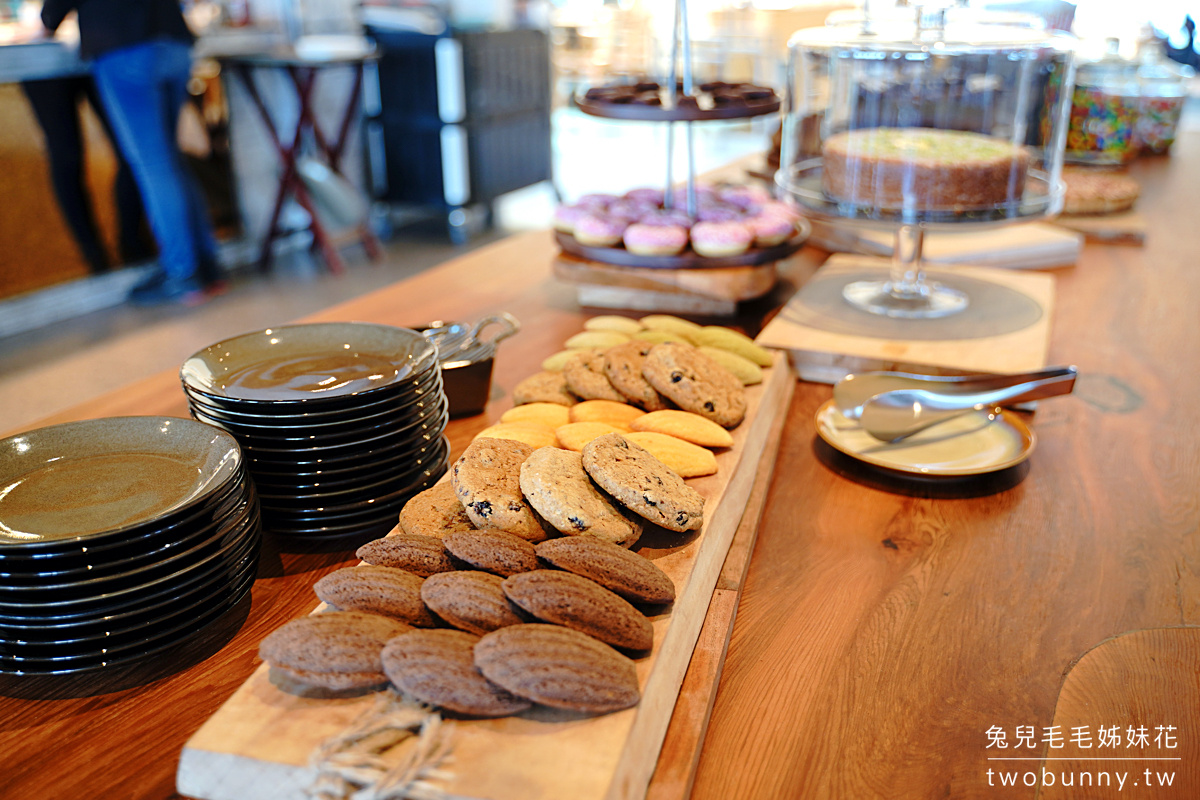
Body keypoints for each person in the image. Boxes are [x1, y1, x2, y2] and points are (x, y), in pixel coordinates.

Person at [41, 0, 223, 305]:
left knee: (154, 164)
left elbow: (54, 12)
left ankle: (183, 273)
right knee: (171, 160)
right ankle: (209, 267)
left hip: (125, 45)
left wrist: (47, 22)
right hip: (174, 40)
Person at [21, 75, 153, 275]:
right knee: (66, 157)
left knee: (130, 149)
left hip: (94, 55)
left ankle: (133, 243)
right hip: (39, 60)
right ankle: (94, 256)